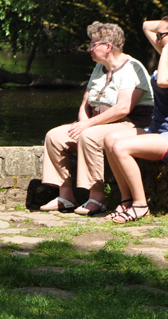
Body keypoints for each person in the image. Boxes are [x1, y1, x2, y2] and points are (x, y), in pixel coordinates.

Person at [39, 22, 154, 215]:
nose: (89, 49)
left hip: (130, 124)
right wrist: (84, 121)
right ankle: (66, 195)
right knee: (55, 136)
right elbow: (86, 101)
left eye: (93, 44)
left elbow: (124, 108)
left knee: (90, 136)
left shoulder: (132, 68)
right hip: (97, 122)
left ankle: (97, 197)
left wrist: (88, 125)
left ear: (107, 47)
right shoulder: (99, 68)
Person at [104, 15, 168, 223]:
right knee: (109, 139)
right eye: (157, 36)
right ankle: (125, 201)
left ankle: (140, 205)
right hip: (157, 129)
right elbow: (145, 25)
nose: (157, 40)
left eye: (161, 36)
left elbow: (164, 80)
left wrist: (167, 49)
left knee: (121, 147)